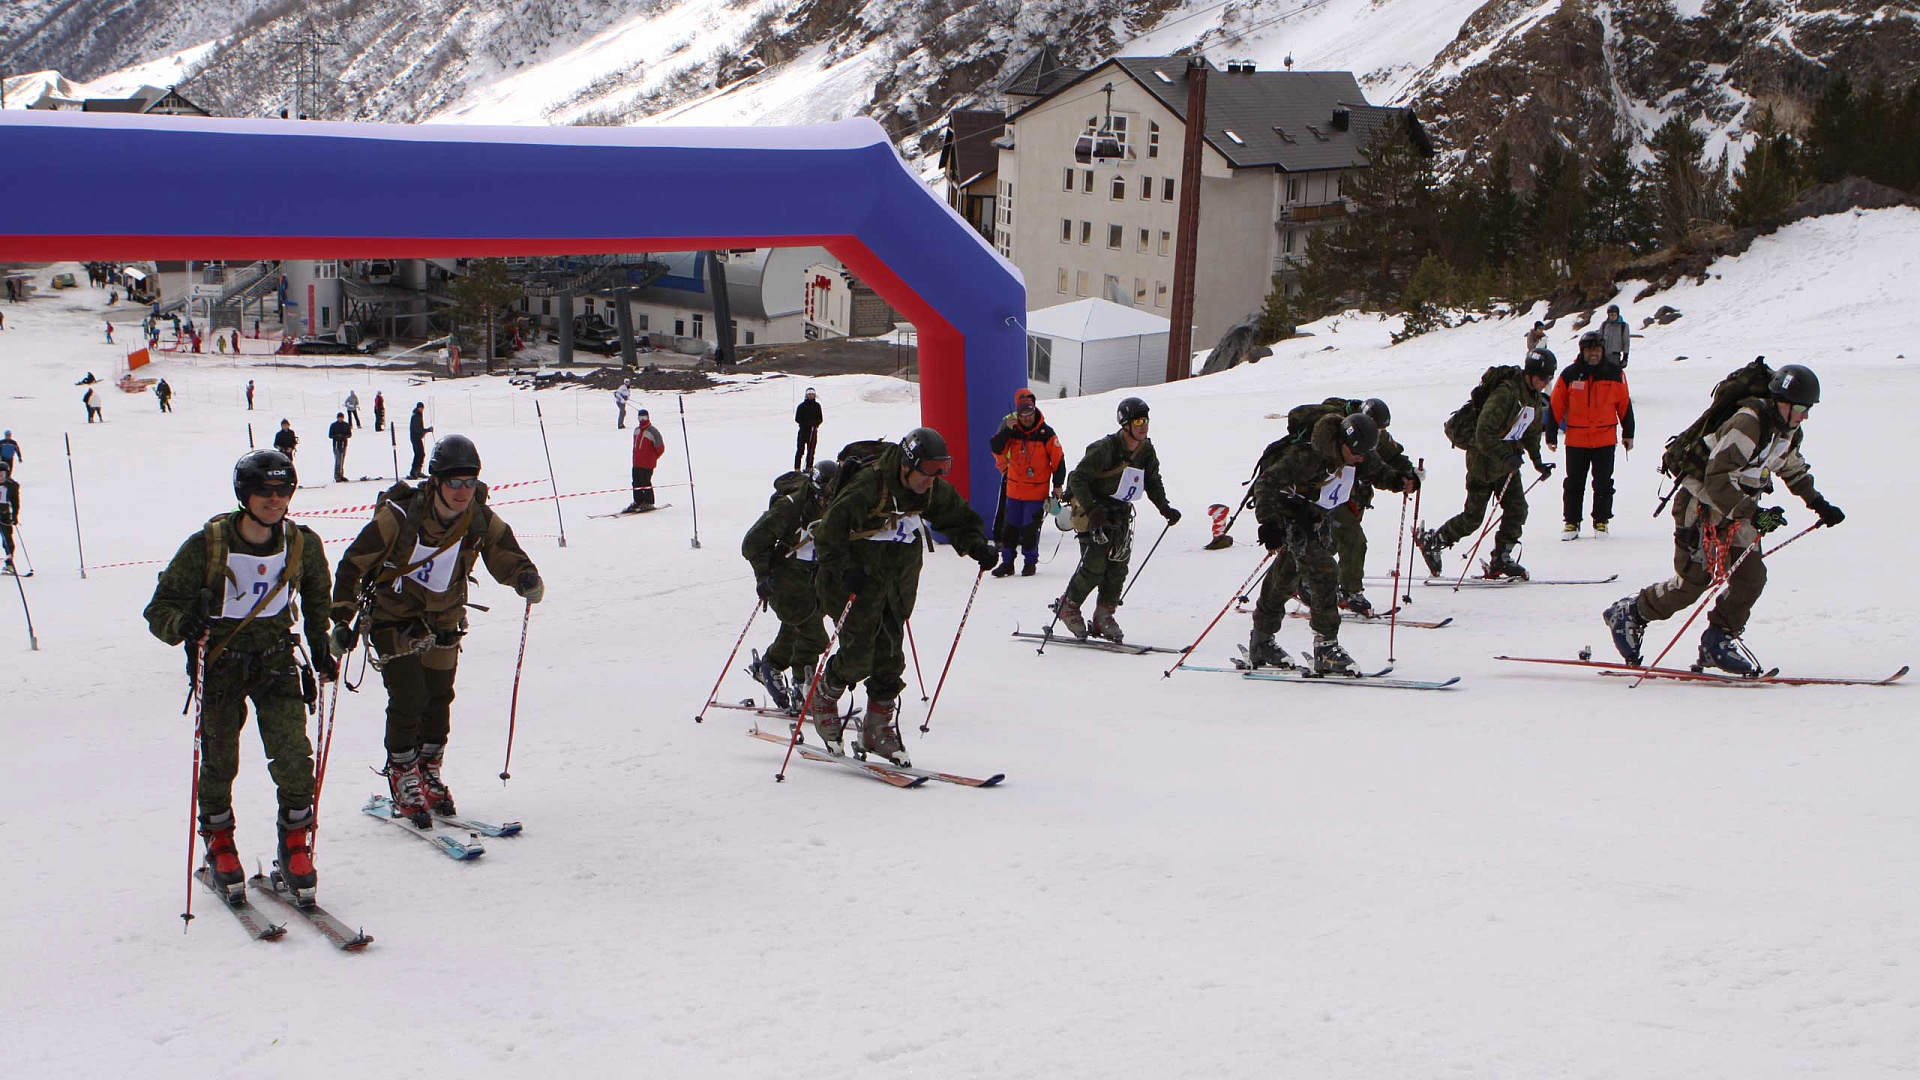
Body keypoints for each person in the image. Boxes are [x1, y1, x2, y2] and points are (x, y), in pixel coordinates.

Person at [141, 450, 334, 905]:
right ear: (244, 494)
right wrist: (182, 627)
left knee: (292, 756)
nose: (274, 499)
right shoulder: (207, 545)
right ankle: (219, 841)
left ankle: (294, 846)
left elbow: (317, 600)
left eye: (283, 490)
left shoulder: (303, 543)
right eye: (264, 491)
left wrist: (321, 644)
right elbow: (159, 609)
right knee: (220, 759)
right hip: (222, 665)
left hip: (276, 660)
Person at [329, 435, 543, 826]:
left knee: (439, 697)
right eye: (453, 482)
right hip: (394, 618)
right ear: (436, 481)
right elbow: (352, 566)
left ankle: (428, 769)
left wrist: (524, 576)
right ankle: (402, 772)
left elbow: (502, 549)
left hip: (444, 617)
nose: (462, 491)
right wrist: (342, 618)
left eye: (469, 482)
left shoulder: (477, 516)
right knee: (409, 695)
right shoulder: (399, 516)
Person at [1604, 364, 1843, 675]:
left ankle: (1718, 639)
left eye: (1807, 409)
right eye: (1800, 408)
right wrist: (1754, 513)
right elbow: (1717, 480)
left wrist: (1818, 503)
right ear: (1780, 401)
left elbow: (1791, 467)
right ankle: (1631, 612)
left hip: (1737, 508)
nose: (1804, 415)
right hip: (1700, 504)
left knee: (1750, 578)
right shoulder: (1748, 424)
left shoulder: (1787, 431)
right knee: (1693, 583)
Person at [808, 428, 993, 765]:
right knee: (858, 656)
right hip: (854, 583)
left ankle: (877, 730)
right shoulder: (869, 486)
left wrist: (976, 543)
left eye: (943, 468)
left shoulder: (928, 488)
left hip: (896, 583)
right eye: (930, 470)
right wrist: (846, 568)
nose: (935, 478)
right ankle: (823, 698)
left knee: (891, 659)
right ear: (908, 466)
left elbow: (958, 516)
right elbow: (828, 534)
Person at [1247, 414, 1410, 674]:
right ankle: (1326, 647)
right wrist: (1268, 524)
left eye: (1364, 453)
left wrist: (1398, 480)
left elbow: (1376, 470)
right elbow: (1266, 482)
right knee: (1325, 572)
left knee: (1286, 575)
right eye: (1356, 452)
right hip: (1288, 515)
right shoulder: (1308, 456)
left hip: (1314, 518)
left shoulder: (1356, 454)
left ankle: (1262, 639)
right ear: (1343, 443)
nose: (1360, 458)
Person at [1416, 349, 1557, 580]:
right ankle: (1434, 540)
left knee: (1517, 509)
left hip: (1506, 464)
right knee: (1473, 518)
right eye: (1543, 378)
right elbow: (1483, 433)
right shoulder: (1506, 393)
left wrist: (1538, 462)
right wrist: (1505, 455)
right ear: (1531, 374)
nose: (1546, 383)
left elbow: (1531, 433)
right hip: (1483, 462)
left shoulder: (1533, 398)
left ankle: (1501, 557)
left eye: (1549, 378)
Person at [1054, 397, 1180, 643]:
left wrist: (1164, 507)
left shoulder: (1146, 451)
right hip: (1093, 514)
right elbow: (1078, 479)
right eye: (1138, 421)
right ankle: (1068, 607)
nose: (1143, 426)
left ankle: (1104, 615)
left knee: (1118, 567)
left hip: (1119, 515)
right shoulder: (1105, 449)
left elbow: (1152, 480)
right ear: (1125, 424)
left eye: (1146, 420)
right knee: (1094, 567)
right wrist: (1091, 509)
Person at [1277, 397, 1417, 614]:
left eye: (1381, 429)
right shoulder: (1341, 432)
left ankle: (1301, 579)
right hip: (1326, 496)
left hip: (1346, 497)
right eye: (1377, 428)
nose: (1378, 433)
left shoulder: (1372, 434)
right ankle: (1348, 592)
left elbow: (1388, 459)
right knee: (1353, 539)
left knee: (1331, 541)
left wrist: (1405, 476)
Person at [741, 460, 841, 710]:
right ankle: (801, 684)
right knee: (814, 636)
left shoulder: (836, 503)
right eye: (823, 497)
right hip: (785, 579)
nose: (827, 503)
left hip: (815, 579)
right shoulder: (791, 507)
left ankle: (770, 666)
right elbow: (752, 542)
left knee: (797, 627)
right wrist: (762, 576)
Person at [1549, 331, 1635, 538]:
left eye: (1597, 349)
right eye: (1589, 350)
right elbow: (1556, 405)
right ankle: (1571, 523)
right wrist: (1551, 435)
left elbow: (1624, 404)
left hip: (1605, 439)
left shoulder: (1615, 373)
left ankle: (1601, 521)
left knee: (1604, 482)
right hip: (1576, 440)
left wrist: (1628, 433)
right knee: (1574, 483)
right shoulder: (1569, 374)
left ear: (1602, 350)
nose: (1593, 354)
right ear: (1583, 351)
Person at [987, 387, 1065, 577]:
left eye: (1030, 413)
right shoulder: (1012, 430)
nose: (1027, 418)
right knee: (1010, 529)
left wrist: (1057, 485)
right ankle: (1007, 563)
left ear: (1034, 411)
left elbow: (1058, 460)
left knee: (1030, 529)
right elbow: (996, 448)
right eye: (1023, 414)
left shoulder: (1046, 433)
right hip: (1014, 490)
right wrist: (1008, 430)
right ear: (1018, 415)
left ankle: (1030, 563)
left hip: (1036, 492)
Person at [627, 408, 666, 511]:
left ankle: (649, 502)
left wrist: (652, 458)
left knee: (645, 482)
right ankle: (638, 501)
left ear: (648, 417)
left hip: (647, 464)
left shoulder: (653, 431)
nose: (642, 420)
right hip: (636, 462)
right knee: (636, 483)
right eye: (640, 417)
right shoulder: (636, 430)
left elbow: (660, 448)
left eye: (644, 417)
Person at [793, 387, 823, 471]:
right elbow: (798, 419)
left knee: (811, 451)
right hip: (803, 431)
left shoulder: (817, 406)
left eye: (812, 394)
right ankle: (797, 468)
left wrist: (816, 423)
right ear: (806, 395)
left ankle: (809, 468)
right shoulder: (801, 406)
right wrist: (806, 424)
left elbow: (820, 418)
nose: (811, 396)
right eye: (809, 394)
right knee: (800, 450)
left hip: (813, 431)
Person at [0, 460, 19, 575]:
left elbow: (15, 502)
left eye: (2, 474)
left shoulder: (11, 485)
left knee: (7, 541)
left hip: (4, 516)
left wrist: (15, 516)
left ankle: (9, 563)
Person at [406, 403, 432, 479]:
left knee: (421, 454)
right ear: (418, 408)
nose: (422, 410)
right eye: (420, 408)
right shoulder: (415, 416)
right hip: (415, 438)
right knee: (419, 454)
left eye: (422, 408)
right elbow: (417, 429)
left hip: (417, 437)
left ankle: (418, 471)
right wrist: (426, 430)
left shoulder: (418, 415)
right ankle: (413, 472)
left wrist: (424, 431)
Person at [328, 411, 352, 483]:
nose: (340, 419)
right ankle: (337, 475)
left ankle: (341, 474)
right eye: (339, 418)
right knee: (338, 460)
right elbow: (330, 435)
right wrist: (337, 437)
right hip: (336, 445)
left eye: (341, 418)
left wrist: (344, 437)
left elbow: (349, 434)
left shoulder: (346, 425)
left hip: (343, 444)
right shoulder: (333, 425)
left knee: (342, 460)